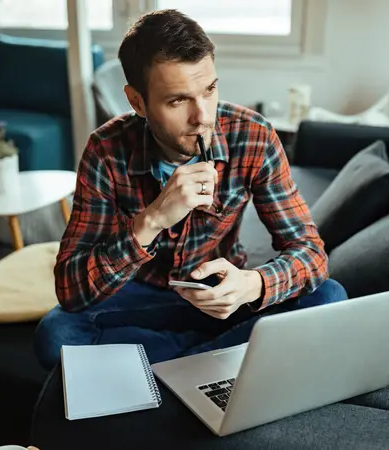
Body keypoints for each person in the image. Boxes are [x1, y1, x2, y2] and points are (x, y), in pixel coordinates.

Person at [33, 9, 348, 371]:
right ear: (137, 102)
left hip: (220, 297)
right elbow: (71, 290)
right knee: (55, 335)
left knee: (330, 297)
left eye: (210, 90)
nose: (203, 116)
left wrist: (254, 284)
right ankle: (217, 360)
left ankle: (159, 364)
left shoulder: (254, 137)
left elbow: (311, 254)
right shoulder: (105, 151)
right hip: (143, 295)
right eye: (178, 100)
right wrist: (150, 220)